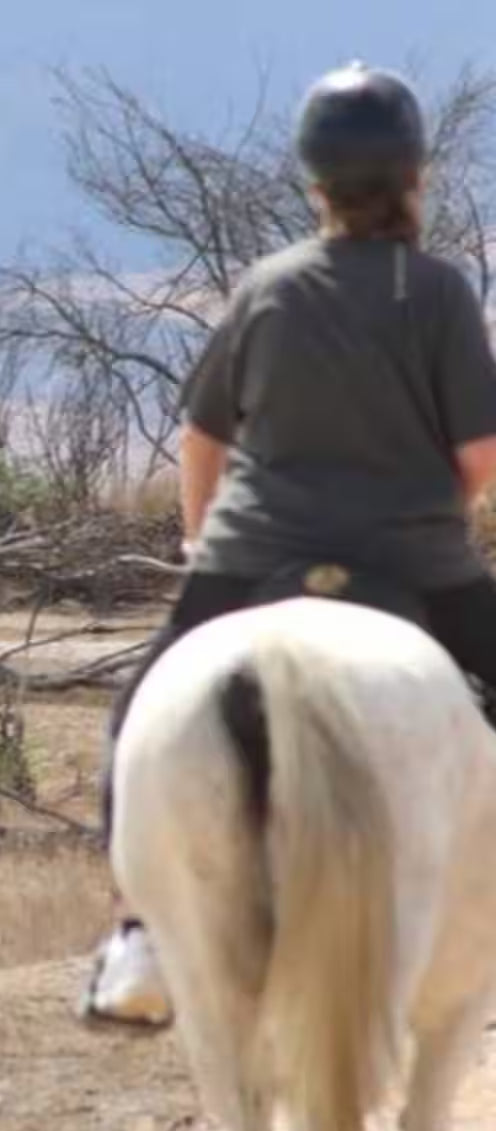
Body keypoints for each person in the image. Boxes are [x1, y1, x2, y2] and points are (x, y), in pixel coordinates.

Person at [83, 61, 496, 1024]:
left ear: (315, 186)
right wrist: (444, 508)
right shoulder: (438, 293)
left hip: (254, 557)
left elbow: (204, 439)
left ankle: (139, 935)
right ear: (417, 178)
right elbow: (479, 455)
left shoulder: (267, 287)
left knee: (137, 715)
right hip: (413, 563)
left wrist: (201, 547)